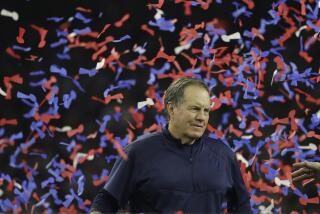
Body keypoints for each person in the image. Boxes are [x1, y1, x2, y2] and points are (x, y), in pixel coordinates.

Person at [90, 77, 252, 213]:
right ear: (172, 109)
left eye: (206, 110)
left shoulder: (224, 155)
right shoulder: (138, 152)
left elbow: (242, 205)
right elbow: (106, 201)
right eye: (194, 109)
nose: (202, 117)